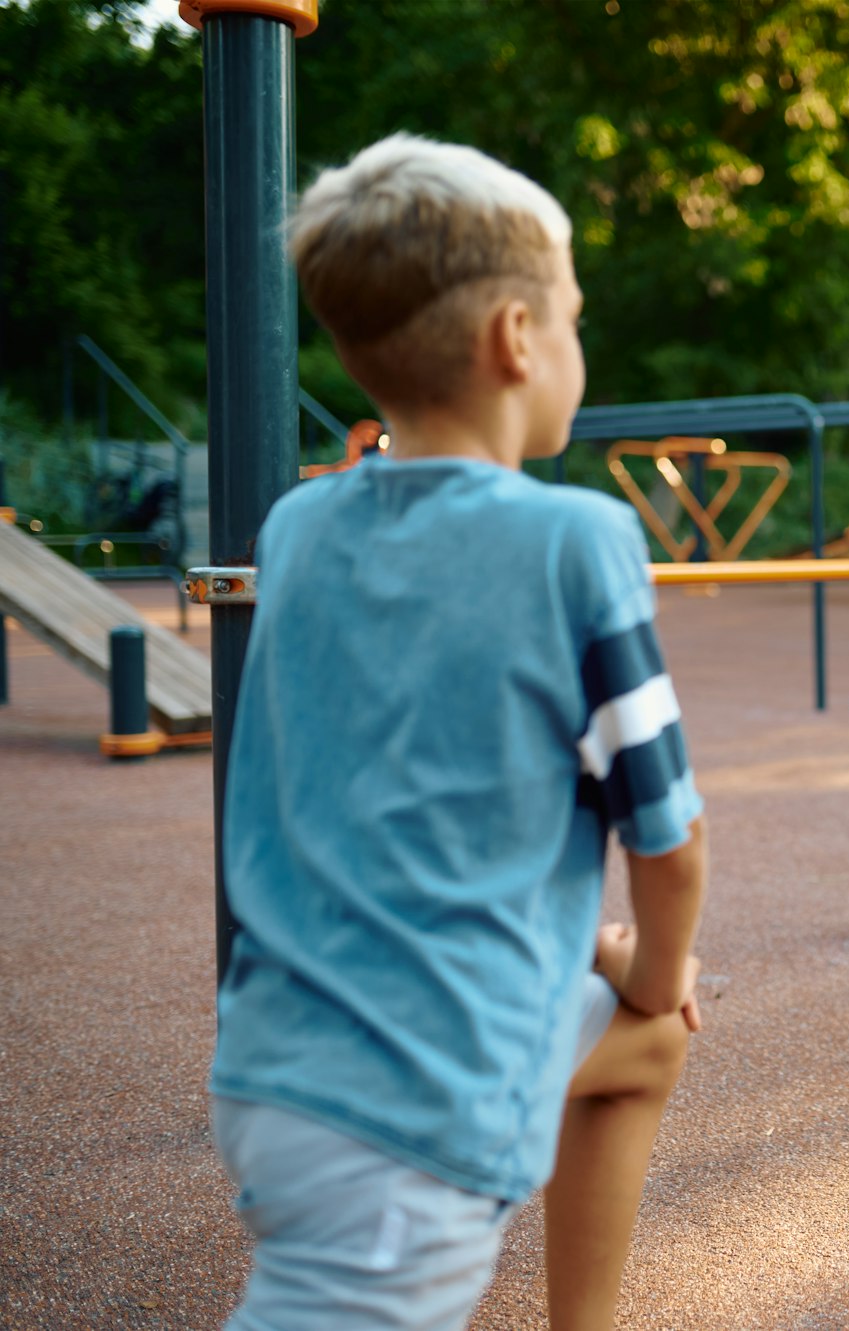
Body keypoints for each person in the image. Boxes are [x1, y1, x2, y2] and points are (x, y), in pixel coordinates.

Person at [208, 135, 707, 1330]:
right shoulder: (575, 541)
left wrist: (593, 960)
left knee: (640, 1047)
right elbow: (670, 833)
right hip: (418, 1108)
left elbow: (394, 783)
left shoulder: (299, 529)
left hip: (274, 1066)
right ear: (517, 340)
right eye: (574, 316)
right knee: (657, 1010)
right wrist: (655, 966)